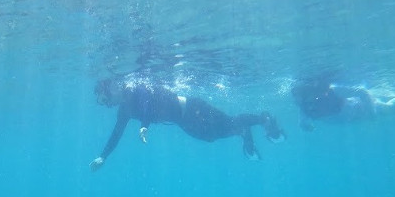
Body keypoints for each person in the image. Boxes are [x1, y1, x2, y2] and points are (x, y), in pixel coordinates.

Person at [90, 79, 285, 170]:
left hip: (193, 108)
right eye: (103, 103)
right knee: (211, 136)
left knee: (227, 124)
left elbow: (145, 101)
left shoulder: (135, 87)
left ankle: (264, 119)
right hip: (184, 121)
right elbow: (116, 133)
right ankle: (244, 131)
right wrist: (103, 156)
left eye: (104, 99)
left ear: (112, 87)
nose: (107, 104)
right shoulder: (123, 110)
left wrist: (145, 125)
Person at [291, 77, 395, 131]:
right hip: (353, 118)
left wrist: (372, 110)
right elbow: (302, 122)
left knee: (388, 109)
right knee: (389, 111)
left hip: (361, 109)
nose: (298, 100)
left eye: (300, 95)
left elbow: (362, 91)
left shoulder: (332, 91)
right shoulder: (304, 106)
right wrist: (307, 127)